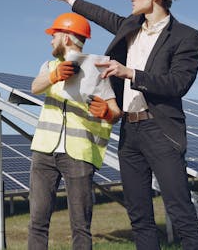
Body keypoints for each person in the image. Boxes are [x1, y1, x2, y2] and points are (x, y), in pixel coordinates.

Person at [40, 0, 198, 250]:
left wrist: (129, 73)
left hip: (161, 131)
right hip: (130, 133)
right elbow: (101, 15)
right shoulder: (130, 27)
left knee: (181, 213)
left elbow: (178, 83)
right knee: (139, 216)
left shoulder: (187, 37)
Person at [28, 12, 121, 250]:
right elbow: (35, 87)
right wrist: (54, 76)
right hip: (44, 152)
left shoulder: (97, 70)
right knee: (37, 221)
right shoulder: (48, 66)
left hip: (79, 154)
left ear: (67, 38)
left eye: (54, 35)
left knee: (80, 226)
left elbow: (114, 110)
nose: (50, 40)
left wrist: (107, 113)